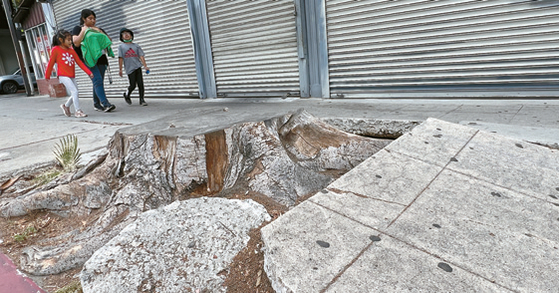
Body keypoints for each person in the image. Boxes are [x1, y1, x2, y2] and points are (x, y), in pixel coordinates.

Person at [72, 9, 116, 112]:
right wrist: (84, 30)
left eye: (94, 19)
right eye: (90, 18)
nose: (93, 21)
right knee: (97, 80)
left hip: (101, 59)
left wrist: (99, 31)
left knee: (97, 82)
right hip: (87, 59)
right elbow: (76, 43)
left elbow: (108, 40)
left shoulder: (98, 29)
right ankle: (105, 104)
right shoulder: (78, 29)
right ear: (84, 19)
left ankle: (97, 104)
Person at [45, 30, 94, 118]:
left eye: (70, 39)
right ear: (61, 40)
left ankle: (66, 106)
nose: (70, 42)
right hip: (63, 75)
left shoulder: (71, 50)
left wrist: (89, 72)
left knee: (76, 93)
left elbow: (79, 62)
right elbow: (51, 62)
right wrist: (47, 75)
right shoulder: (56, 49)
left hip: (71, 75)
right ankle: (78, 111)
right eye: (68, 40)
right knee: (74, 91)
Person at [118, 28, 149, 106]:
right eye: (124, 34)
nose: (126, 35)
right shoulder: (121, 47)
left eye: (128, 33)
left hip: (137, 66)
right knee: (133, 85)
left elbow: (141, 56)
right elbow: (120, 58)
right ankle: (127, 94)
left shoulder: (136, 45)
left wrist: (145, 66)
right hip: (129, 68)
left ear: (131, 35)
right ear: (121, 37)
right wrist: (120, 69)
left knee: (140, 84)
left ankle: (142, 100)